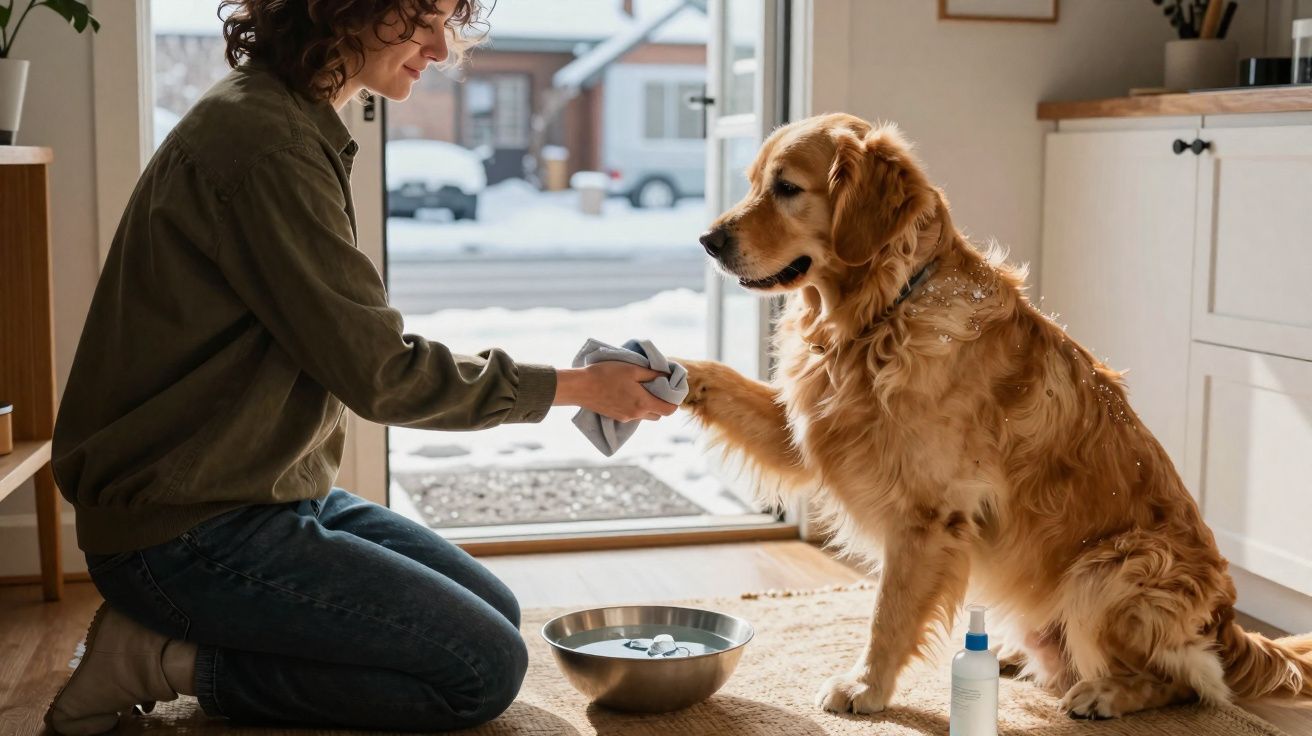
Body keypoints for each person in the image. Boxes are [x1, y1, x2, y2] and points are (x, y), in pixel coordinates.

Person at [44, 1, 678, 732]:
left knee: (495, 615)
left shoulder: (282, 116)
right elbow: (381, 374)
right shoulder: (267, 143)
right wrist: (577, 389)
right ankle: (158, 658)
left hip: (259, 494)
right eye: (421, 17)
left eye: (449, 20)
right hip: (184, 532)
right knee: (480, 672)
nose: (442, 47)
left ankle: (204, 635)